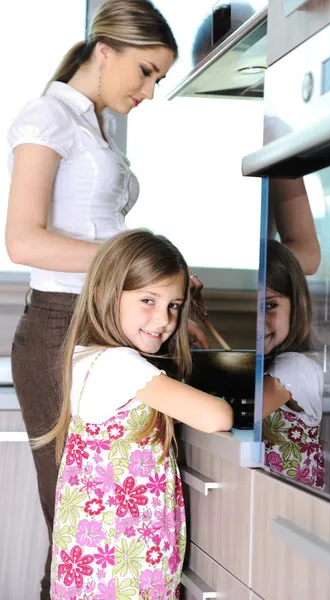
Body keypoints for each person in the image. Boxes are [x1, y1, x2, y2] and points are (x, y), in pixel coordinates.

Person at [5, 2, 205, 598]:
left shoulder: (96, 126)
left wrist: (159, 292)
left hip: (97, 324)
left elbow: (99, 237)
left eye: (159, 80)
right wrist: (130, 268)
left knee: (102, 530)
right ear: (105, 49)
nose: (149, 90)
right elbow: (22, 240)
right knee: (75, 528)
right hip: (58, 327)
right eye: (145, 71)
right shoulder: (48, 116)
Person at [32, 228, 233, 599]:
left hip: (98, 560)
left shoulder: (88, 354)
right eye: (148, 301)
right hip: (122, 562)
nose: (164, 319)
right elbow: (217, 416)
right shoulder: (121, 365)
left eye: (174, 305)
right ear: (104, 295)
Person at [261, 240, 325, 489]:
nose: (259, 320)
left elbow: (243, 414)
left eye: (270, 305)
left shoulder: (295, 367)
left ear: (295, 307)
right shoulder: (269, 364)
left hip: (289, 513)